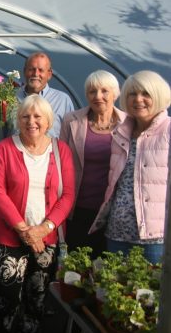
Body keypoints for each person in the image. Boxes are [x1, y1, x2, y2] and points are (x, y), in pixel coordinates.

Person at [0, 95, 75, 333]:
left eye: (38, 117)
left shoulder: (61, 150)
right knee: (6, 298)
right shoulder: (5, 148)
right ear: (18, 120)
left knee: (36, 299)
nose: (31, 121)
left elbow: (67, 195)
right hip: (10, 238)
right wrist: (25, 230)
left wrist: (44, 228)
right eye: (25, 116)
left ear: (48, 122)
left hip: (46, 239)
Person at [89, 71, 170, 264]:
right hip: (117, 233)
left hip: (154, 237)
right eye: (132, 94)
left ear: (158, 95)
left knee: (151, 291)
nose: (138, 100)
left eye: (146, 94)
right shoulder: (121, 132)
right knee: (115, 289)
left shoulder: (167, 130)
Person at [60, 70, 126, 257]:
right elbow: (61, 162)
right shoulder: (71, 121)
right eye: (92, 91)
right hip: (78, 208)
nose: (98, 96)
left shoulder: (128, 123)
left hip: (113, 211)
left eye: (104, 91)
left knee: (110, 268)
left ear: (115, 93)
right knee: (77, 267)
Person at [16, 52, 74, 137]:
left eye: (41, 70)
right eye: (31, 69)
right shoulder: (11, 97)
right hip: (14, 149)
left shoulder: (62, 100)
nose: (35, 74)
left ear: (49, 74)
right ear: (24, 71)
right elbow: (1, 133)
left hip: (53, 150)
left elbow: (71, 135)